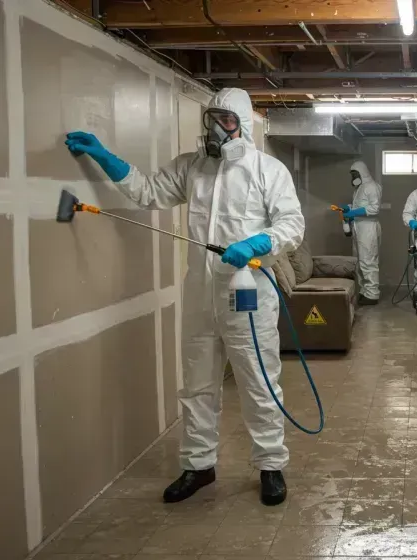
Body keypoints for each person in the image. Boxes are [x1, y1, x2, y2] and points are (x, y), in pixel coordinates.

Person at [64, 88, 304, 506]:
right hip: (199, 292)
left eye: (225, 120)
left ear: (242, 125)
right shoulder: (191, 168)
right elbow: (147, 192)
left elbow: (292, 224)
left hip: (246, 292)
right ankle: (199, 465)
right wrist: (105, 158)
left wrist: (257, 242)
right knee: (196, 385)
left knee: (258, 383)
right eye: (211, 118)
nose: (215, 128)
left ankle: (270, 466)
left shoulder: (268, 170)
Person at [339, 161, 382, 305]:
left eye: (355, 174)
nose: (353, 178)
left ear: (362, 173)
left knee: (368, 260)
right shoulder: (358, 188)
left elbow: (374, 208)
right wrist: (348, 209)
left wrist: (353, 212)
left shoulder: (371, 187)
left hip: (368, 228)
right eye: (352, 175)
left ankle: (372, 294)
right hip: (359, 227)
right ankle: (365, 291)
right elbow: (360, 205)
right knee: (359, 261)